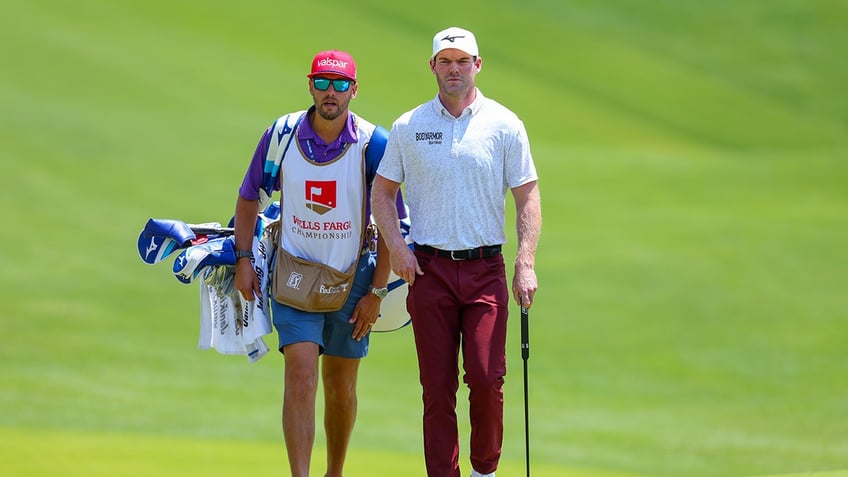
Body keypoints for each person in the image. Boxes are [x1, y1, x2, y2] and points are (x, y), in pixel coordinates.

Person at [371, 27, 542, 477]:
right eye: (445, 61)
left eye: (462, 61)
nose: (454, 69)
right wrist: (398, 248)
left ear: (477, 65)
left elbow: (527, 195)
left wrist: (525, 262)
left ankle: (485, 470)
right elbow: (382, 193)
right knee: (437, 388)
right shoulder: (410, 126)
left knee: (487, 380)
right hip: (429, 270)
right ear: (432, 67)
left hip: (486, 268)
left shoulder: (505, 124)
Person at [233, 49, 402, 477]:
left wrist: (378, 293)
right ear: (310, 84)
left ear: (354, 90)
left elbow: (388, 223)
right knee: (302, 371)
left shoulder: (373, 143)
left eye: (340, 84)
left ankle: (335, 472)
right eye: (323, 82)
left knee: (341, 387)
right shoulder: (282, 135)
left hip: (355, 281)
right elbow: (251, 194)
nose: (331, 92)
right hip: (293, 275)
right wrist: (243, 259)